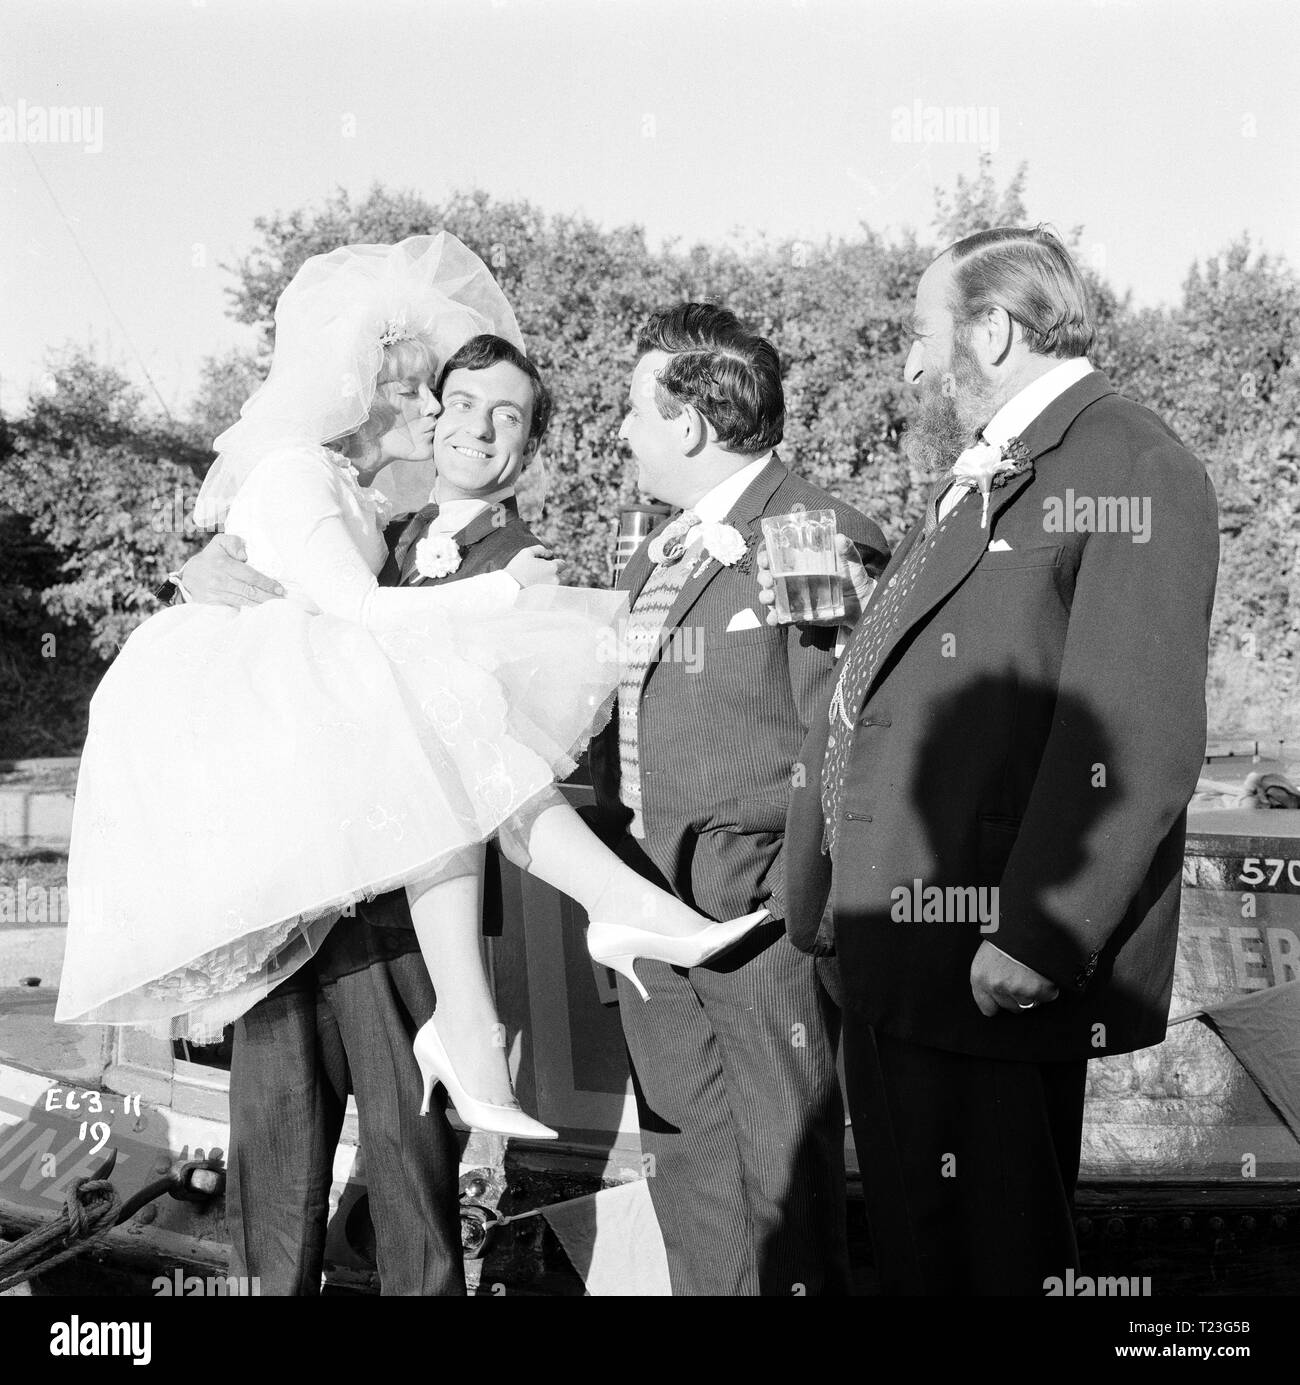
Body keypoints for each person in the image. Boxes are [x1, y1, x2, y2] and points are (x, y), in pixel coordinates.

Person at [57, 236, 767, 1147]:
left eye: (484, 409)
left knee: (405, 1151)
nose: (436, 412)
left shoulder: (373, 502)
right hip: (288, 810)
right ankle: (604, 922)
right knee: (276, 1131)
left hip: (395, 877)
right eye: (422, 393)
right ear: (355, 396)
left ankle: (494, 1010)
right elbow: (342, 597)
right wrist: (203, 575)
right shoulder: (317, 483)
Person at [781, 226, 1220, 1294]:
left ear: (992, 328)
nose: (912, 366)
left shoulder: (1133, 463)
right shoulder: (986, 471)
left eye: (923, 333)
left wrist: (1038, 929)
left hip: (984, 958)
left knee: (993, 1261)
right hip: (896, 946)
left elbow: (1136, 730)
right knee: (926, 1252)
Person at [587, 303, 890, 1295]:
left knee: (784, 1189)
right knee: (690, 1175)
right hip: (646, 913)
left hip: (760, 926)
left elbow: (852, 731)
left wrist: (797, 896)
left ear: (688, 423)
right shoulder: (655, 545)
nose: (620, 428)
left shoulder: (808, 533)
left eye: (635, 405)